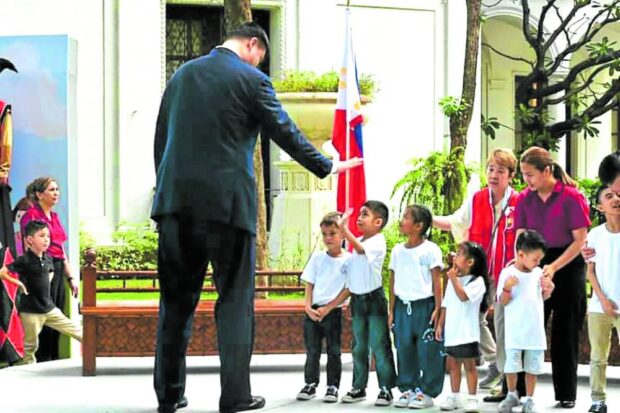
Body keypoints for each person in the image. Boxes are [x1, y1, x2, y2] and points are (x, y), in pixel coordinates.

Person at [151, 22, 362, 413]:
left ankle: (169, 395)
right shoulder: (251, 79)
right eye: (260, 56)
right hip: (229, 209)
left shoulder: (181, 75)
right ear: (253, 45)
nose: (259, 63)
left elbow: (162, 138)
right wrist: (326, 165)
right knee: (234, 302)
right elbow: (283, 129)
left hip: (175, 207)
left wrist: (166, 191)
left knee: (175, 302)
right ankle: (234, 397)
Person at [433, 148, 519, 391]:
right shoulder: (477, 199)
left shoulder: (518, 202)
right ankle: (496, 364)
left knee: (503, 324)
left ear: (510, 175)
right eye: (491, 169)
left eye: (500, 171)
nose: (494, 175)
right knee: (478, 319)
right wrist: (428, 218)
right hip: (480, 275)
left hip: (507, 274)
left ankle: (505, 373)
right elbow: (456, 222)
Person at [516, 146, 590, 408]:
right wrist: (527, 267)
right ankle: (518, 391)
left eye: (531, 174)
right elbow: (521, 237)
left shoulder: (571, 197)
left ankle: (566, 393)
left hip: (568, 265)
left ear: (547, 170)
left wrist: (554, 267)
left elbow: (580, 240)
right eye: (524, 175)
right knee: (528, 327)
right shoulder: (525, 199)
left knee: (565, 331)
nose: (527, 180)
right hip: (535, 260)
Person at [317, 201, 397, 406]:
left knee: (379, 344)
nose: (359, 218)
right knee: (359, 346)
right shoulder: (357, 243)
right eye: (359, 214)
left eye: (365, 214)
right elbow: (350, 278)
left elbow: (361, 250)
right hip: (358, 301)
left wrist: (344, 229)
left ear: (378, 222)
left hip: (374, 299)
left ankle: (386, 388)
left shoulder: (377, 241)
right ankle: (358, 387)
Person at [0, 220, 82, 364]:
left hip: (49, 309)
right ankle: (27, 372)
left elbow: (49, 272)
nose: (46, 240)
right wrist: (18, 283)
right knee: (31, 347)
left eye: (48, 236)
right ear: (30, 240)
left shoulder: (48, 258)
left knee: (77, 331)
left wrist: (46, 282)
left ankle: (97, 351)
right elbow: (3, 272)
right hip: (31, 312)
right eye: (42, 236)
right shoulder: (24, 260)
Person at [388, 205, 444, 409]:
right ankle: (408, 388)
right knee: (404, 348)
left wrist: (438, 309)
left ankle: (427, 391)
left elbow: (437, 281)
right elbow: (392, 280)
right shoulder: (397, 251)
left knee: (428, 349)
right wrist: (392, 310)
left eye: (406, 217)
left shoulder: (430, 250)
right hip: (403, 308)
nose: (401, 220)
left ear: (419, 226)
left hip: (425, 307)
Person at [20, 177, 78, 363]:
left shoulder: (55, 217)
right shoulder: (31, 216)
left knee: (57, 313)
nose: (56, 193)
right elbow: (27, 247)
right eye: (52, 189)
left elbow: (60, 249)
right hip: (42, 269)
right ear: (39, 194)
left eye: (57, 189)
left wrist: (70, 277)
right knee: (42, 314)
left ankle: (54, 359)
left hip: (59, 267)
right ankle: (42, 360)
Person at [496, 230, 552, 413]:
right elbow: (502, 302)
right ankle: (511, 393)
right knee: (511, 364)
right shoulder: (508, 273)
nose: (538, 263)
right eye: (535, 259)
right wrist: (507, 288)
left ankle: (529, 398)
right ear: (521, 254)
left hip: (534, 330)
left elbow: (543, 297)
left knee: (532, 366)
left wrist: (548, 289)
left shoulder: (538, 274)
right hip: (515, 330)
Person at [296, 212, 349, 403]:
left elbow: (348, 289)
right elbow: (309, 282)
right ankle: (310, 383)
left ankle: (332, 386)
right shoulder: (318, 258)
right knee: (312, 350)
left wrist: (329, 307)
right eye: (325, 234)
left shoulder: (348, 260)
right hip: (313, 312)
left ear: (343, 234)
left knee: (334, 351)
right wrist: (308, 306)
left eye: (333, 233)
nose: (328, 238)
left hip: (333, 312)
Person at [436, 241, 489, 412]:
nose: (454, 256)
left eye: (459, 254)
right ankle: (454, 396)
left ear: (470, 262)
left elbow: (463, 296)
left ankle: (472, 397)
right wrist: (440, 325)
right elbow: (446, 304)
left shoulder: (477, 281)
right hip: (452, 331)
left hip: (467, 333)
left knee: (470, 366)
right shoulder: (454, 279)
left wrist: (452, 279)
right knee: (453, 365)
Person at [585, 184, 620, 413]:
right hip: (599, 306)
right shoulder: (595, 235)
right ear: (600, 206)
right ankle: (598, 401)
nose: (616, 199)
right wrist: (604, 300)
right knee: (598, 357)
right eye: (609, 196)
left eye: (618, 195)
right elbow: (590, 272)